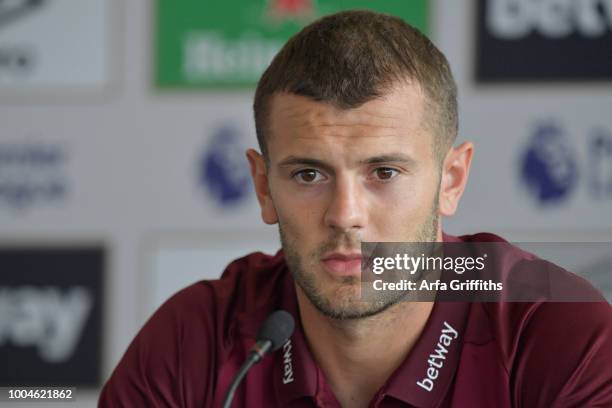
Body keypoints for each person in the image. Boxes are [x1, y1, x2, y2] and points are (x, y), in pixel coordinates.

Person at [99, 10, 612, 407]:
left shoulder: (555, 328)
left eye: (384, 173)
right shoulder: (200, 340)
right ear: (263, 186)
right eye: (309, 174)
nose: (346, 215)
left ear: (451, 181)